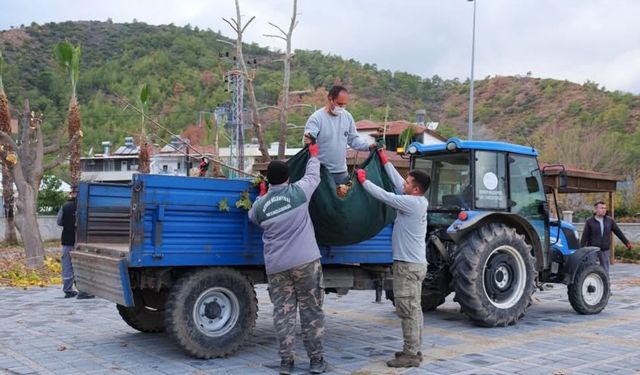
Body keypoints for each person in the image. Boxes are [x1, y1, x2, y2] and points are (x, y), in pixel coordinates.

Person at [248, 143, 327, 375]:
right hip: (305, 262)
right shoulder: (299, 192)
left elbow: (252, 216)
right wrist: (313, 155)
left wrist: (262, 195)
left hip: (277, 267)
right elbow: (314, 174)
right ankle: (316, 361)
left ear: (268, 180)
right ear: (288, 177)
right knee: (311, 310)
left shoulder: (260, 206)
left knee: (283, 313)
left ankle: (286, 362)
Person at [356, 149, 430, 368]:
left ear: (415, 189)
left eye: (408, 183)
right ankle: (415, 350)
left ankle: (410, 355)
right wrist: (386, 162)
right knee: (414, 309)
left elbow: (385, 196)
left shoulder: (412, 203)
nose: (404, 184)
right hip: (415, 264)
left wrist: (364, 181)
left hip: (407, 267)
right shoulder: (416, 200)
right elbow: (398, 183)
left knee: (407, 310)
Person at [303, 85, 376, 184]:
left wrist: (369, 146)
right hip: (321, 172)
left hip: (341, 172)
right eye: (339, 104)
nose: (341, 107)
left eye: (344, 105)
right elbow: (309, 142)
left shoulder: (347, 117)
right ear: (330, 99)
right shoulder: (316, 118)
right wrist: (309, 139)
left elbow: (353, 140)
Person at [56, 190, 94, 299]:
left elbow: (59, 221)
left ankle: (68, 290)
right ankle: (83, 290)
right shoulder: (87, 206)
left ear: (73, 194)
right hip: (83, 241)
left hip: (68, 240)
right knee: (82, 265)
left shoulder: (66, 206)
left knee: (67, 264)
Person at [580, 201, 633, 274]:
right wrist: (580, 249)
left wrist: (627, 243)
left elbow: (618, 232)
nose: (604, 210)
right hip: (592, 249)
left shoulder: (610, 220)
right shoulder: (590, 221)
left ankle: (606, 284)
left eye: (605, 208)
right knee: (590, 268)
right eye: (601, 208)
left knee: (605, 269)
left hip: (605, 249)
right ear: (595, 210)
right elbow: (584, 236)